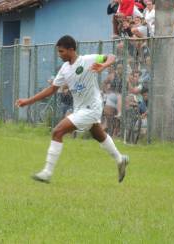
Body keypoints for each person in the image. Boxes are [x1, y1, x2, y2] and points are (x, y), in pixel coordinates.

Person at [16, 35, 129, 183]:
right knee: (98, 134)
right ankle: (120, 159)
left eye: (62, 51)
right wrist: (28, 101)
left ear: (71, 49)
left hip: (92, 107)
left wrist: (104, 65)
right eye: (58, 51)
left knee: (57, 131)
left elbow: (112, 56)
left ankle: (47, 173)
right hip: (80, 108)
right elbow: (51, 89)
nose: (59, 54)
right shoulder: (64, 68)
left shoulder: (88, 60)